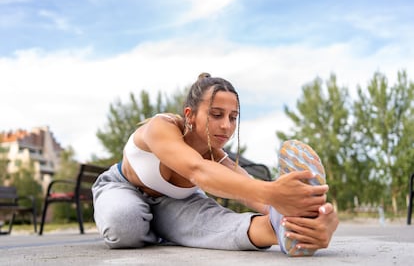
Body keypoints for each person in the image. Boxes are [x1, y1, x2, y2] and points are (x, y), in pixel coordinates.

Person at [92, 73, 338, 256]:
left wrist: (314, 217)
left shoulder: (217, 157)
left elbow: (254, 193)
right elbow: (196, 171)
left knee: (222, 223)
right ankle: (168, 230)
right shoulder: (161, 127)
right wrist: (273, 191)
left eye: (233, 117)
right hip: (123, 187)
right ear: (189, 114)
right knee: (124, 223)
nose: (227, 126)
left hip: (176, 205)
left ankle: (282, 231)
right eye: (216, 114)